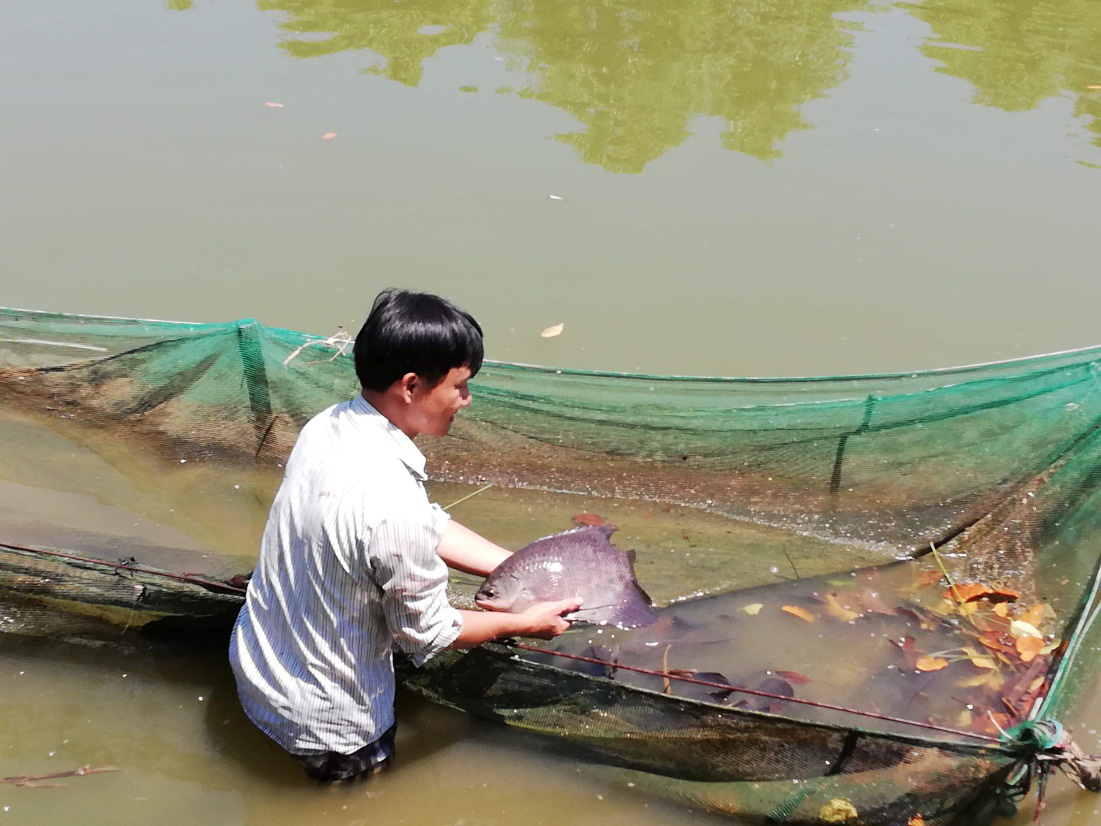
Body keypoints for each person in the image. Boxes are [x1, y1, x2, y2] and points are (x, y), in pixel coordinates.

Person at [228, 289, 579, 783]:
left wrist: (526, 567)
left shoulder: (328, 427)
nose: (466, 400)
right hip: (332, 731)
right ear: (412, 386)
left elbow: (421, 522)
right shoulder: (391, 504)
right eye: (459, 386)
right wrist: (522, 623)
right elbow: (428, 634)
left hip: (257, 672)